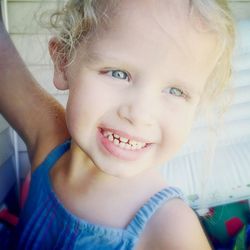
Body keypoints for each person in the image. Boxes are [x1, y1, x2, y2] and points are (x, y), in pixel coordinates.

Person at [0, 0, 235, 249]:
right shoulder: (48, 136)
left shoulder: (171, 230)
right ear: (63, 61)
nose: (140, 114)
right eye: (118, 73)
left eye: (176, 91)